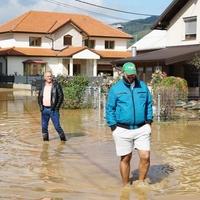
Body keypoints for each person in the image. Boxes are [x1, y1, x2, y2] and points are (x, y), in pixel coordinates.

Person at [106, 62, 153, 186]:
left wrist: (149, 122)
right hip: (122, 129)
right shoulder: (116, 89)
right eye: (129, 75)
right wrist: (113, 126)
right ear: (123, 73)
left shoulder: (143, 87)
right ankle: (126, 186)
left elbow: (148, 104)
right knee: (126, 158)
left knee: (145, 156)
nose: (131, 76)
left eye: (133, 74)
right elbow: (110, 108)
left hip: (142, 127)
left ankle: (141, 182)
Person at [38, 71, 67, 141]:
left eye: (50, 76)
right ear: (45, 77)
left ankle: (63, 140)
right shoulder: (42, 85)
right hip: (44, 109)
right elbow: (39, 96)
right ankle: (45, 143)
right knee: (44, 127)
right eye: (47, 76)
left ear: (52, 77)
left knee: (57, 127)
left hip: (53, 110)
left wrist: (56, 107)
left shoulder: (56, 85)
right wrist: (41, 107)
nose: (49, 78)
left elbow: (61, 97)